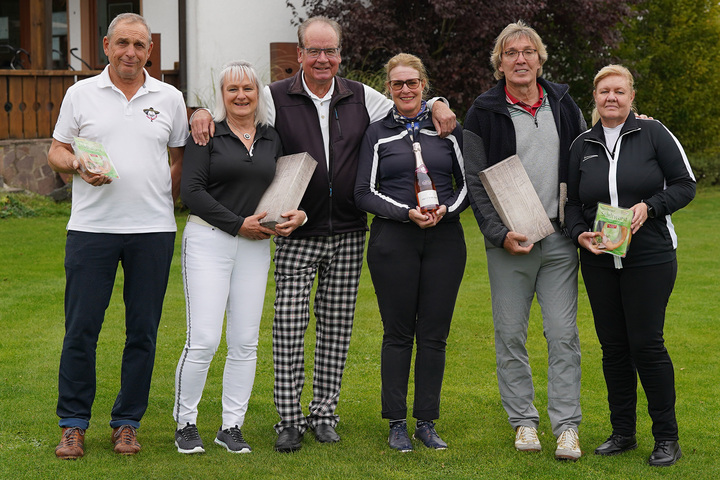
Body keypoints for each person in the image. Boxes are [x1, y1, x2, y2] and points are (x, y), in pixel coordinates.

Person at [189, 16, 457, 453]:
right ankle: (289, 420)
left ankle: (325, 415)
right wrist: (200, 112)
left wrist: (439, 101)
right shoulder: (275, 97)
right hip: (295, 229)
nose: (322, 58)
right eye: (313, 50)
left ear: (339, 54)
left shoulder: (361, 96)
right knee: (289, 328)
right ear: (299, 54)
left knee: (336, 330)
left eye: (329, 51)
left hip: (348, 230)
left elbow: (409, 103)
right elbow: (234, 107)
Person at [48, 13, 188, 459]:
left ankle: (127, 423)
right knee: (81, 329)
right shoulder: (81, 93)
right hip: (92, 230)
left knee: (142, 332)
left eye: (139, 45)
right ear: (107, 45)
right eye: (122, 43)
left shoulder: (169, 98)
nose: (130, 52)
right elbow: (57, 149)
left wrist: (164, 199)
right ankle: (73, 424)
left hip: (153, 231)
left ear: (150, 51)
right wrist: (75, 165)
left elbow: (180, 158)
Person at [463, 21, 586, 461]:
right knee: (511, 334)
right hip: (511, 242)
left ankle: (567, 427)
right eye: (511, 53)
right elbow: (475, 180)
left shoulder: (564, 104)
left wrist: (636, 124)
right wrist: (499, 234)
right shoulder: (483, 111)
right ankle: (524, 422)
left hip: (559, 240)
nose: (520, 59)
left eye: (528, 51)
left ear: (540, 59)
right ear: (500, 63)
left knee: (563, 335)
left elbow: (589, 156)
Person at [565, 64, 695, 467]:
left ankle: (667, 437)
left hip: (650, 257)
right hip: (600, 260)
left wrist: (650, 207)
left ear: (631, 96)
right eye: (604, 91)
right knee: (614, 348)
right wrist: (578, 234)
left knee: (647, 345)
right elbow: (572, 203)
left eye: (619, 91)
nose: (611, 97)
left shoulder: (654, 133)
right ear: (594, 96)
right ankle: (622, 432)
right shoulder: (582, 144)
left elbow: (685, 185)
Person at [172, 61, 305, 455]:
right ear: (222, 95)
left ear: (258, 93)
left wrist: (298, 214)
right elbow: (191, 192)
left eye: (248, 88)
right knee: (203, 340)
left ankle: (231, 426)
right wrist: (236, 224)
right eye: (232, 89)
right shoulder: (207, 132)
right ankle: (186, 423)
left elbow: (285, 187)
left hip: (255, 246)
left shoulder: (271, 136)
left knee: (245, 342)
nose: (241, 95)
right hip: (208, 241)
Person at [355, 53, 468, 452]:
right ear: (388, 88)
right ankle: (396, 423)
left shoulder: (447, 128)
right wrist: (406, 212)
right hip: (394, 241)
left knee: (434, 334)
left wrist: (446, 210)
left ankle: (426, 422)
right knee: (398, 333)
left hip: (444, 240)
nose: (405, 89)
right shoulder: (376, 133)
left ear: (424, 85)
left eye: (412, 83)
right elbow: (363, 192)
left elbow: (468, 184)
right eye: (398, 83)